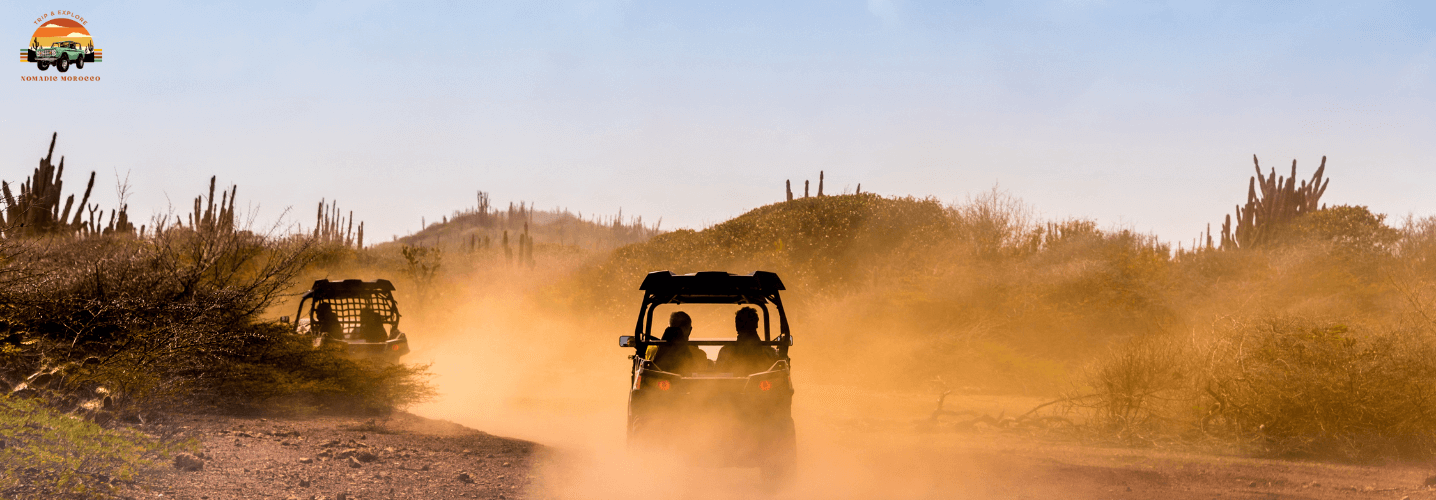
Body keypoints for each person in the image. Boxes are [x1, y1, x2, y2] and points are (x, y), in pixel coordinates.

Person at [716, 307, 777, 375]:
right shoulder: (770, 352)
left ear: (737, 326)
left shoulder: (726, 351)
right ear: (756, 325)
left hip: (731, 384)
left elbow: (718, 374)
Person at [646, 311, 710, 374]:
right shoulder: (699, 355)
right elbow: (701, 376)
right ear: (690, 330)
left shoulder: (652, 351)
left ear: (668, 329)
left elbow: (648, 370)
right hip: (688, 383)